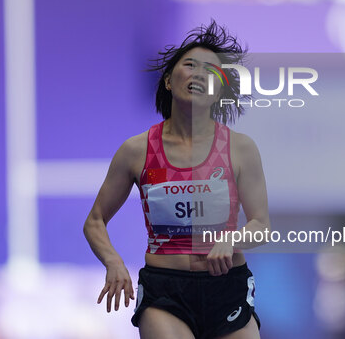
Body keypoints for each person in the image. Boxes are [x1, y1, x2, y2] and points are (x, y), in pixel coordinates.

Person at [83, 20, 270, 339]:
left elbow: (261, 225)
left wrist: (231, 239)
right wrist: (113, 261)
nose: (199, 74)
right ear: (169, 80)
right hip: (165, 292)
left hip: (227, 288)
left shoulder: (241, 148)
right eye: (190, 65)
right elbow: (95, 220)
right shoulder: (136, 150)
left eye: (211, 71)